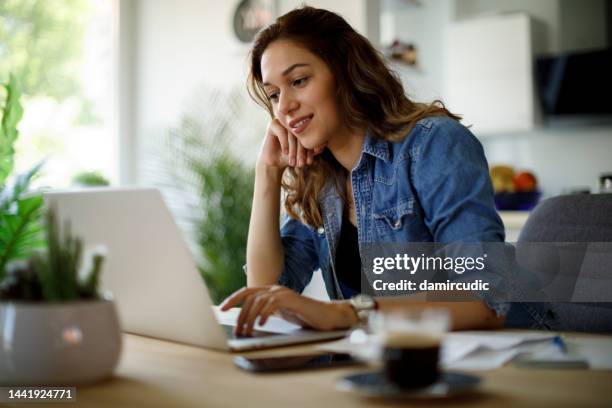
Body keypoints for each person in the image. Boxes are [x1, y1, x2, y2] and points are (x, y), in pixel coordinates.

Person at [220, 6, 509, 336]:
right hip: (374, 367)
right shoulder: (318, 177)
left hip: (463, 364)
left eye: (298, 81)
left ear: (345, 71)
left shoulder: (432, 145)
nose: (284, 107)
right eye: (273, 95)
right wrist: (267, 174)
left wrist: (349, 313)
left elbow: (486, 300)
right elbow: (266, 294)